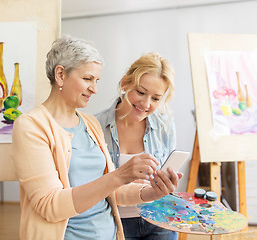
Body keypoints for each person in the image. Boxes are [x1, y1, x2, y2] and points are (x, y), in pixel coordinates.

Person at [12, 36, 182, 240]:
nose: (95, 88)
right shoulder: (31, 126)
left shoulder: (90, 124)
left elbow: (112, 192)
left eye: (96, 80)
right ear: (60, 75)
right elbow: (50, 206)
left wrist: (151, 193)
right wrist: (119, 175)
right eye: (87, 79)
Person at [96, 52, 179, 240]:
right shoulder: (96, 126)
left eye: (156, 98)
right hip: (115, 222)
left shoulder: (165, 126)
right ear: (125, 83)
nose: (146, 104)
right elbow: (92, 185)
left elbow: (169, 173)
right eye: (140, 92)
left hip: (159, 219)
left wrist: (169, 184)